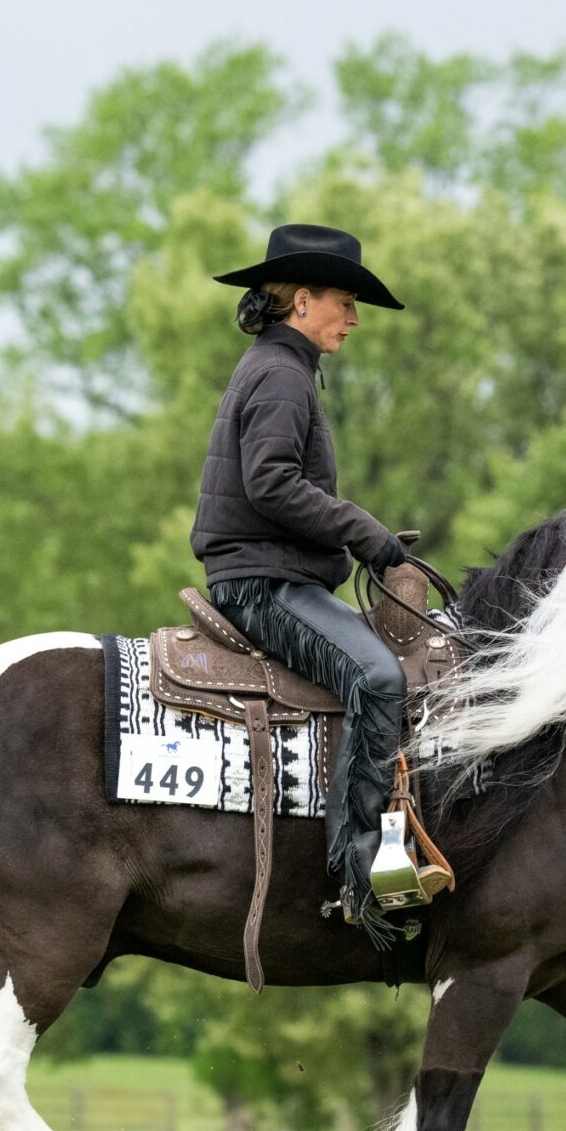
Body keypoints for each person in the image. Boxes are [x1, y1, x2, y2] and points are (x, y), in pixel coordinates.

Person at [191, 223, 415, 946]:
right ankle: (359, 877)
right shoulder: (283, 375)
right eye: (345, 303)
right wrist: (366, 534)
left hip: (272, 575)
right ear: (303, 300)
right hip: (261, 586)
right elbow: (272, 483)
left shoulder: (278, 368)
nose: (352, 319)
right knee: (379, 679)